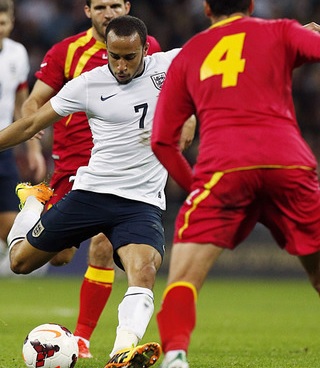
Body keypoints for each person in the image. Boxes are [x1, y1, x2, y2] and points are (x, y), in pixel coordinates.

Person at [0, 15, 184, 368]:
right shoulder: (87, 84)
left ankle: (122, 352)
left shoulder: (169, 64)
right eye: (114, 56)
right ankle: (31, 204)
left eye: (130, 57)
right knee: (20, 262)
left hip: (140, 202)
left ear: (146, 49)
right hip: (90, 193)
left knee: (143, 268)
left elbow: (233, 40)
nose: (121, 65)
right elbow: (30, 123)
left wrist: (294, 34)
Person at [151, 1, 320, 367]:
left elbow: (162, 141)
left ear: (208, 8)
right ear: (252, 5)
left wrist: (196, 184)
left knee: (183, 276)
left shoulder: (190, 52)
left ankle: (176, 354)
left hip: (223, 169)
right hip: (288, 162)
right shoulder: (280, 30)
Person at [0, 0, 45, 266]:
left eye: (3, 23)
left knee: (7, 225)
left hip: (4, 146)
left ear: (11, 22)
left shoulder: (17, 53)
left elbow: (21, 102)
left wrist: (33, 149)